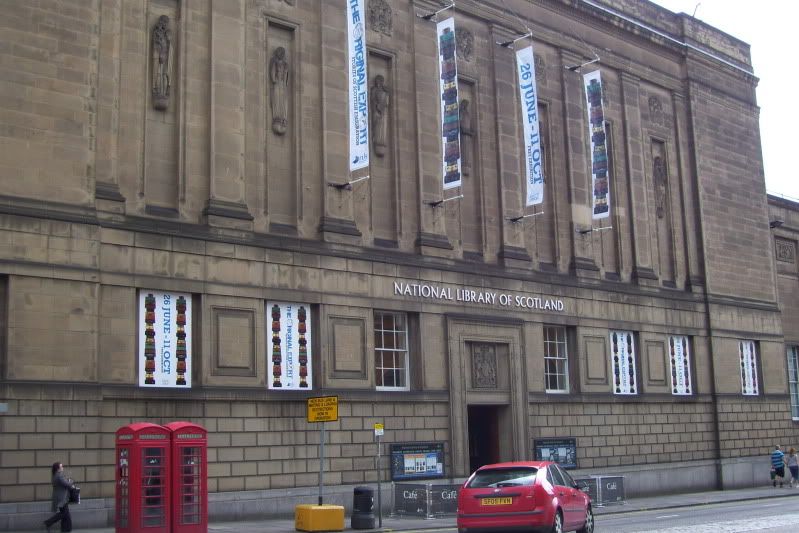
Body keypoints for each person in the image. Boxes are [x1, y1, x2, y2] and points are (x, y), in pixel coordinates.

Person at [44, 462, 74, 532]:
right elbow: (66, 484)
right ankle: (48, 522)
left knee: (66, 515)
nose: (62, 467)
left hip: (59, 498)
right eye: (61, 466)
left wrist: (68, 482)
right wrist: (71, 481)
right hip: (62, 498)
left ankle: (65, 529)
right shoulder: (59, 476)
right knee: (64, 514)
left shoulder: (55, 475)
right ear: (58, 469)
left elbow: (63, 483)